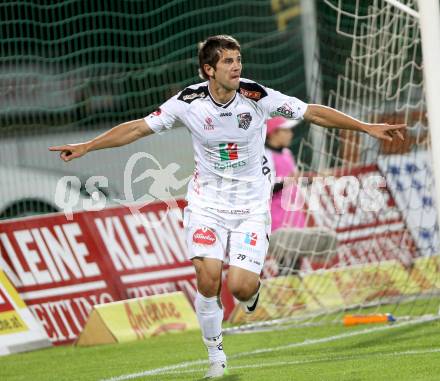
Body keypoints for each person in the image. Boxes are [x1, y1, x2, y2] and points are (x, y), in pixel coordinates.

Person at [49, 35, 405, 378]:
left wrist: (365, 127)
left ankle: (253, 290)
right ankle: (215, 352)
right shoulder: (188, 102)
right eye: (228, 62)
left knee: (240, 288)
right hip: (207, 203)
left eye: (238, 60)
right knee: (207, 276)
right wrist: (88, 146)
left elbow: (312, 112)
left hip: (250, 206)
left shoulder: (257, 96)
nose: (237, 67)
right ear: (208, 69)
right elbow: (137, 129)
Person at [265, 116, 306, 232]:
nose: (291, 134)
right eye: (286, 130)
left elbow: (295, 180)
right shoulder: (265, 155)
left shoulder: (287, 153)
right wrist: (286, 181)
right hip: (276, 218)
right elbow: (266, 190)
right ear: (273, 133)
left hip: (295, 215)